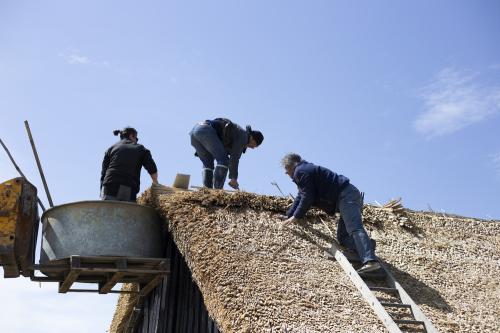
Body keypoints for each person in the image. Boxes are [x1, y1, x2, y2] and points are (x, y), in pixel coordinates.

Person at [280, 153, 381, 274]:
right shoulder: (304, 170)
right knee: (343, 238)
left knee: (354, 228)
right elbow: (301, 195)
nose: (288, 175)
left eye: (287, 171)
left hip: (346, 196)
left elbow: (307, 197)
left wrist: (296, 217)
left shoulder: (301, 171)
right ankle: (368, 246)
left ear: (291, 166)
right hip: (345, 197)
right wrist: (289, 214)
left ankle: (370, 261)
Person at [190, 118, 263, 190]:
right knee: (224, 161)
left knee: (208, 163)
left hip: (195, 132)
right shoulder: (243, 136)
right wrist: (233, 178)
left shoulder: (236, 134)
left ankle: (207, 190)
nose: (253, 148)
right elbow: (234, 158)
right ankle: (217, 191)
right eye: (255, 145)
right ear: (252, 138)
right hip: (206, 131)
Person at [100, 127, 158, 202]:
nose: (136, 141)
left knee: (108, 212)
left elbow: (103, 172)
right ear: (131, 136)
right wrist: (155, 182)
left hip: (109, 186)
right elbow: (151, 167)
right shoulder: (139, 148)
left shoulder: (110, 149)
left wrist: (102, 190)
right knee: (126, 211)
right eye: (136, 139)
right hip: (128, 186)